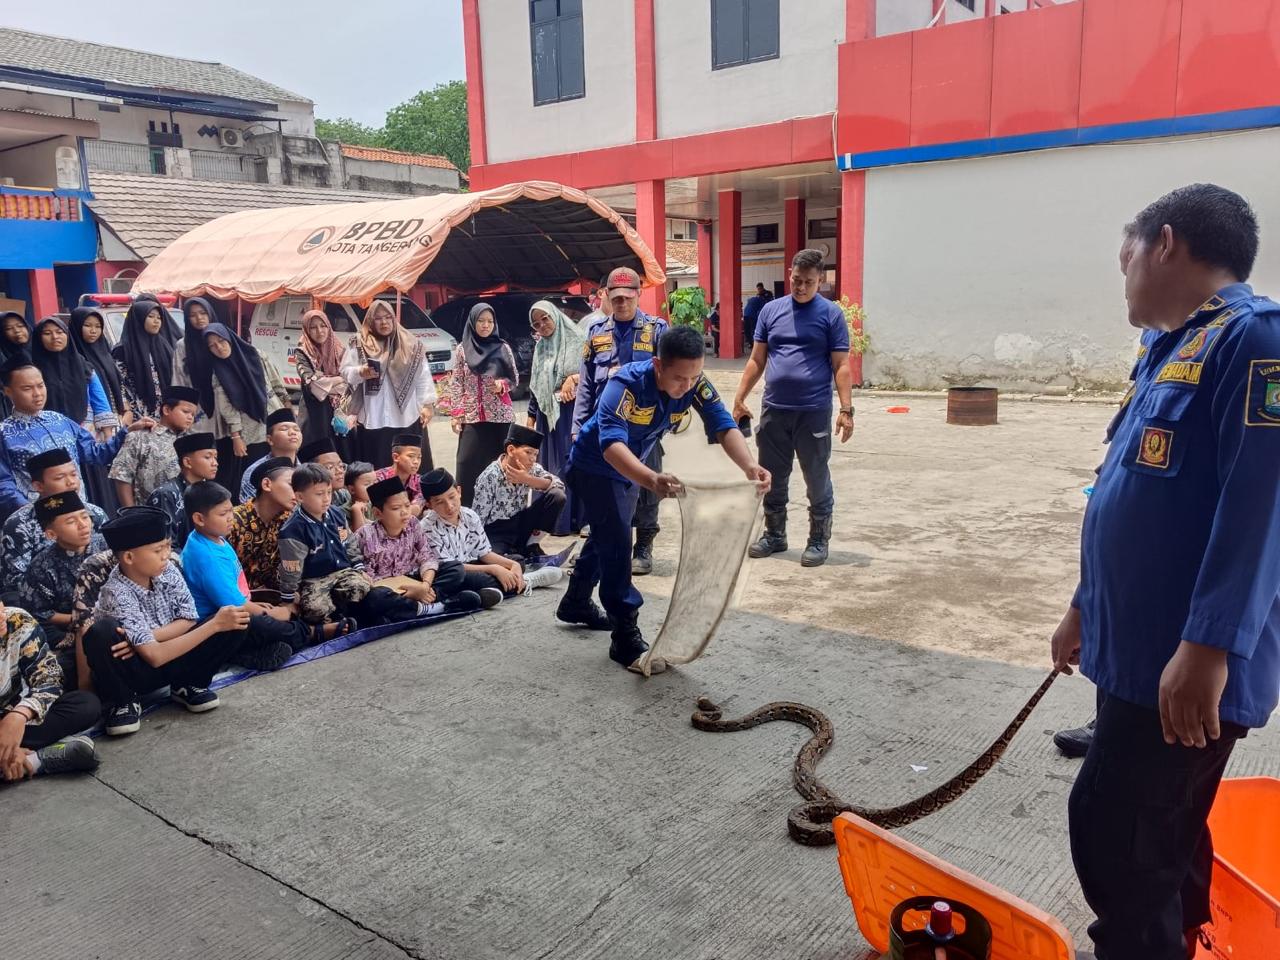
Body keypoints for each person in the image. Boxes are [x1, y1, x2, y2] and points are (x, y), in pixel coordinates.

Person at [1052, 184, 1280, 960]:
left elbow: (1261, 509)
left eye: (1126, 260)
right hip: (1143, 652)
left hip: (1186, 663)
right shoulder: (1176, 346)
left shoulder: (1255, 342)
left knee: (1121, 839)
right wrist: (1085, 607)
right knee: (1160, 834)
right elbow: (1130, 489)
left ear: (1166, 243)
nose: (1124, 280)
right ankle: (1177, 940)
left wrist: (1210, 647)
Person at [560, 325, 769, 673]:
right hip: (595, 467)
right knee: (616, 542)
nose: (686, 387)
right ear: (657, 365)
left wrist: (750, 466)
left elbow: (722, 424)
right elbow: (610, 446)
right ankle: (625, 638)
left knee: (608, 533)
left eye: (693, 377)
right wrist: (651, 479)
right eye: (678, 379)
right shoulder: (624, 385)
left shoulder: (694, 382)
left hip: (629, 470)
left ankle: (576, 602)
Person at [82, 506, 251, 736]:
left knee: (235, 619)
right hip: (136, 669)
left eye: (168, 546)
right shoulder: (117, 591)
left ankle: (188, 684)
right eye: (158, 549)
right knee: (101, 633)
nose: (166, 554)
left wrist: (141, 639)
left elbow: (189, 619)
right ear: (129, 557)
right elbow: (154, 657)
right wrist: (213, 625)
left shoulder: (168, 569)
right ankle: (123, 701)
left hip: (166, 651)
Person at [734, 248, 854, 568]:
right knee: (772, 475)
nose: (800, 287)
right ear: (790, 274)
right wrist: (739, 397)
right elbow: (757, 359)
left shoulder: (830, 314)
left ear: (821, 281)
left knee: (815, 475)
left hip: (812, 410)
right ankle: (775, 535)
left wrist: (846, 409)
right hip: (775, 409)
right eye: (796, 280)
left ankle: (818, 538)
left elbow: (841, 364)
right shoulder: (771, 311)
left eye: (808, 282)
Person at [573, 267, 669, 576]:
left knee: (647, 483)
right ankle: (611, 546)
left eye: (628, 298)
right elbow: (587, 382)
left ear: (639, 295)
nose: (622, 304)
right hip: (604, 426)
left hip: (642, 425)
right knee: (606, 489)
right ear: (606, 296)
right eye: (616, 299)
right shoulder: (596, 331)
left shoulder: (657, 330)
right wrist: (579, 426)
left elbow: (669, 376)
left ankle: (644, 545)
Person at [181, 480, 327, 669]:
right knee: (263, 623)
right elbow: (235, 605)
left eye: (230, 511)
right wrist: (277, 614)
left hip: (234, 610)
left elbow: (235, 593)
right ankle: (313, 632)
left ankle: (248, 653)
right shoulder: (204, 556)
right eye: (223, 514)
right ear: (199, 519)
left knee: (277, 608)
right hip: (218, 624)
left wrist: (259, 606)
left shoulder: (214, 538)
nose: (230, 518)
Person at [277, 463, 429, 627]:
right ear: (300, 497)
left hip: (343, 571)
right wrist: (289, 598)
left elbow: (349, 543)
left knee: (363, 587)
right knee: (315, 609)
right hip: (314, 579)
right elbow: (291, 568)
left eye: (329, 492)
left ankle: (353, 616)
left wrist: (359, 568)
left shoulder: (336, 514)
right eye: (319, 494)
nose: (326, 498)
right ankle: (335, 625)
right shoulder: (293, 530)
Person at [0, 355, 151, 519]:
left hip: (80, 512)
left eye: (40, 386)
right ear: (7, 390)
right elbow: (4, 484)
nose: (37, 394)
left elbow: (96, 453)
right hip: (40, 519)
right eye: (27, 389)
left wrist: (127, 432)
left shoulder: (59, 420)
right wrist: (30, 513)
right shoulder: (4, 433)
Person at [421, 468, 563, 602]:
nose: (449, 506)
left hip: (473, 564)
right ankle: (526, 581)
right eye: (440, 502)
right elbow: (451, 567)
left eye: (452, 497)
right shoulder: (427, 527)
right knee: (472, 578)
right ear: (429, 505)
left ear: (459, 491)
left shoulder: (469, 515)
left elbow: (484, 553)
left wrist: (511, 565)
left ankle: (505, 585)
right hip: (453, 573)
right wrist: (494, 569)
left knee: (517, 561)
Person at [0, 602, 101, 783]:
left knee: (86, 705)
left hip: (14, 720)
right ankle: (36, 760)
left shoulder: (16, 621)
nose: (0, 615)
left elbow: (49, 677)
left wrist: (20, 715)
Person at [353, 476, 484, 613]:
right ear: (378, 513)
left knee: (455, 569)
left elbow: (426, 557)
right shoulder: (365, 535)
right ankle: (435, 607)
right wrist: (402, 591)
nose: (405, 512)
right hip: (388, 588)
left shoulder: (413, 523)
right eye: (396, 508)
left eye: (407, 505)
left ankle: (422, 603)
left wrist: (424, 586)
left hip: (414, 580)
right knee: (375, 598)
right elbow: (366, 577)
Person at [341, 299, 435, 471]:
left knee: (411, 470)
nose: (384, 322)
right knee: (377, 470)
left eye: (388, 317)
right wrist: (361, 372)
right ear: (370, 320)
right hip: (374, 418)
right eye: (378, 318)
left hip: (406, 417)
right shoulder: (358, 343)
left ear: (394, 319)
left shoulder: (411, 344)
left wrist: (427, 404)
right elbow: (345, 372)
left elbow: (423, 376)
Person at [19, 491, 107, 673]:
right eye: (71, 521)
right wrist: (86, 619)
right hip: (70, 630)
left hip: (120, 617)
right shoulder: (42, 566)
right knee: (64, 668)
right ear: (51, 534)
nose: (83, 525)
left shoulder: (107, 546)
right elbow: (40, 613)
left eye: (85, 517)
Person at [202, 322, 288, 496]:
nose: (218, 347)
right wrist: (236, 436)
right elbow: (227, 408)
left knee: (280, 464)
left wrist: (287, 412)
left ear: (229, 338)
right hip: (250, 429)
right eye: (212, 346)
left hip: (274, 416)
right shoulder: (219, 372)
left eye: (221, 340)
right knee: (257, 468)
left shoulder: (257, 356)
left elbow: (277, 384)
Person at [446, 303, 517, 506]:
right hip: (472, 416)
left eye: (489, 321)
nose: (485, 325)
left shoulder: (503, 347)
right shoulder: (462, 349)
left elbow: (514, 378)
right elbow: (457, 381)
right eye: (481, 321)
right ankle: (467, 509)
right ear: (472, 321)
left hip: (499, 417)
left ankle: (502, 509)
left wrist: (501, 385)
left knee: (500, 464)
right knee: (466, 462)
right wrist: (456, 414)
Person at [0, 448, 109, 579]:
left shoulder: (95, 513)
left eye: (74, 474)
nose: (71, 482)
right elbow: (14, 582)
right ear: (38, 486)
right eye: (60, 478)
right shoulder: (18, 525)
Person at [525, 299, 584, 535]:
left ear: (555, 316)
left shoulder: (577, 339)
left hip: (571, 413)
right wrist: (531, 418)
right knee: (549, 468)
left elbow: (596, 372)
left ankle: (577, 520)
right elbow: (536, 385)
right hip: (546, 415)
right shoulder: (541, 347)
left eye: (545, 319)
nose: (543, 326)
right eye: (537, 324)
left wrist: (575, 378)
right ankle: (555, 520)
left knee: (570, 464)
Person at [473, 424, 566, 561]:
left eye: (535, 454)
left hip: (521, 523)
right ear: (511, 450)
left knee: (557, 496)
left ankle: (530, 545)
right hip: (496, 531)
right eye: (528, 452)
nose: (532, 459)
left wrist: (528, 479)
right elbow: (478, 520)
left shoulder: (531, 469)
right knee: (503, 561)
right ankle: (514, 555)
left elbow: (559, 485)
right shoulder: (489, 476)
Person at [70, 306, 129, 514]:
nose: (93, 331)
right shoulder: (74, 359)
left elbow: (118, 388)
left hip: (113, 423)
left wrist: (123, 412)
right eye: (87, 326)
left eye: (97, 326)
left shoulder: (105, 353)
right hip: (88, 427)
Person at [109, 385, 198, 507]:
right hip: (149, 514)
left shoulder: (192, 442)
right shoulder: (140, 437)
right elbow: (122, 476)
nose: (190, 418)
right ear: (166, 410)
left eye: (193, 415)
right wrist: (131, 513)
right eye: (186, 412)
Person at [32, 315, 118, 441]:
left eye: (60, 332)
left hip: (86, 432)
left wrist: (108, 436)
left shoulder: (83, 365)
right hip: (46, 435)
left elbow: (99, 400)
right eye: (47, 333)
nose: (55, 337)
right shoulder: (32, 369)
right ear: (39, 338)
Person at [228, 458, 296, 594]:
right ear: (266, 484)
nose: (298, 493)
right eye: (291, 485)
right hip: (234, 600)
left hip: (270, 595)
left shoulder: (288, 520)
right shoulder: (233, 521)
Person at [146, 432, 219, 551]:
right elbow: (166, 545)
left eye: (215, 457)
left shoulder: (212, 492)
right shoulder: (166, 495)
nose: (215, 463)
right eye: (207, 457)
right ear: (187, 462)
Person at [112, 299, 180, 421]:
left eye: (159, 318)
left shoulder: (164, 346)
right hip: (139, 414)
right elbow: (122, 385)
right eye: (151, 316)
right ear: (138, 319)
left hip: (165, 412)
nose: (156, 321)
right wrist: (131, 412)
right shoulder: (123, 350)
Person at [294, 309, 350, 454]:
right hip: (313, 415)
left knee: (339, 455)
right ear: (307, 330)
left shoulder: (339, 349)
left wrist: (325, 383)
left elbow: (348, 382)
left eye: (323, 325)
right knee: (316, 456)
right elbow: (313, 386)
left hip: (338, 412)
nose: (320, 331)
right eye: (313, 327)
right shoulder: (302, 352)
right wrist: (339, 379)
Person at [239, 408, 303, 504]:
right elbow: (248, 507)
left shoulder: (303, 469)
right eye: (284, 429)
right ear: (269, 439)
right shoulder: (254, 471)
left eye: (296, 429)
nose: (292, 432)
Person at [170, 297, 217, 394]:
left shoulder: (221, 339)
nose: (199, 318)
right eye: (192, 315)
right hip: (196, 400)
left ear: (210, 313)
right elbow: (179, 376)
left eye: (203, 313)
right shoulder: (183, 345)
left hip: (222, 400)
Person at [373, 433, 426, 517]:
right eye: (411, 456)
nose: (416, 461)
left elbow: (416, 509)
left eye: (419, 457)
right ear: (396, 457)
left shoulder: (421, 481)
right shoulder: (378, 478)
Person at [342, 461, 376, 533]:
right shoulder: (343, 512)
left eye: (375, 482)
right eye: (367, 484)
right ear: (352, 489)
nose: (373, 487)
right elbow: (361, 536)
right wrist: (356, 510)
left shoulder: (375, 505)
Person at [742, 283, 771, 353]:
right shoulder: (758, 297)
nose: (758, 290)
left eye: (759, 289)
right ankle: (753, 344)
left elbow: (766, 306)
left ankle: (753, 344)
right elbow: (762, 309)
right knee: (751, 330)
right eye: (757, 289)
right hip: (751, 316)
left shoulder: (767, 294)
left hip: (748, 315)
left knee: (750, 330)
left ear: (762, 288)